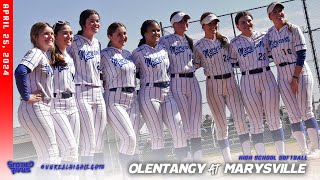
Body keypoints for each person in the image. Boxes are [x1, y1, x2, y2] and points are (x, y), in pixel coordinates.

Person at [193, 12, 251, 162]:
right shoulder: (198, 46)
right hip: (213, 84)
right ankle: (228, 160)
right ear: (203, 26)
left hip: (231, 81)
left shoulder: (224, 40)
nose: (213, 26)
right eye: (210, 23)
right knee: (221, 124)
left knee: (240, 120)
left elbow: (235, 59)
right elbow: (194, 65)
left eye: (215, 23)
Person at [266, 2, 320, 158]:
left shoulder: (293, 29)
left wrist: (295, 78)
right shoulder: (269, 35)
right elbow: (268, 54)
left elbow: (302, 54)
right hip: (282, 73)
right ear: (269, 17)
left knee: (305, 111)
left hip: (299, 71)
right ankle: (303, 149)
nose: (279, 13)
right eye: (274, 12)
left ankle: (316, 147)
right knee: (293, 114)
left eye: (280, 10)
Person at [229, 11, 285, 156]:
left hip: (267, 76)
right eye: (243, 22)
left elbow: (273, 53)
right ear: (237, 26)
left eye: (249, 20)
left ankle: (282, 155)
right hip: (248, 80)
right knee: (255, 121)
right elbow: (233, 62)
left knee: (273, 118)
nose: (247, 24)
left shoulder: (264, 36)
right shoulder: (234, 43)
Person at [132, 20, 188, 162]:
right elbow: (133, 72)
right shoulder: (138, 53)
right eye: (152, 30)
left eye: (158, 30)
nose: (156, 33)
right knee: (157, 135)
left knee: (179, 129)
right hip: (149, 93)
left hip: (167, 92)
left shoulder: (164, 49)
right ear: (144, 33)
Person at [14, 22, 59, 176]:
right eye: (46, 33)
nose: (51, 36)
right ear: (35, 37)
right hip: (35, 107)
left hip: (38, 109)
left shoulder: (44, 56)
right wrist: (26, 96)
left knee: (45, 155)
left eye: (52, 33)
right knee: (52, 152)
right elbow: (20, 71)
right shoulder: (36, 52)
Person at [158, 11, 203, 161]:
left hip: (192, 80)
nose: (184, 24)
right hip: (176, 80)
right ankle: (186, 159)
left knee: (196, 120)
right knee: (183, 122)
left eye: (186, 21)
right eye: (181, 21)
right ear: (173, 24)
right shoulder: (165, 40)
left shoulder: (190, 40)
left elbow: (197, 61)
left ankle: (197, 159)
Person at [67, 9, 107, 166]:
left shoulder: (97, 43)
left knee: (99, 138)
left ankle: (99, 173)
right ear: (83, 23)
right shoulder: (74, 41)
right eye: (91, 20)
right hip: (81, 91)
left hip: (98, 91)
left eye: (97, 20)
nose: (95, 23)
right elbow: (62, 60)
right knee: (88, 138)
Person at [100, 22, 137, 174]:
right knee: (129, 139)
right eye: (119, 34)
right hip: (114, 98)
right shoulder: (103, 54)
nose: (123, 37)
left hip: (133, 99)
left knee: (133, 143)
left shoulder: (129, 54)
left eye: (124, 33)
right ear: (110, 36)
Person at [49, 21, 80, 166]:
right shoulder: (48, 55)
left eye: (71, 33)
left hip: (72, 104)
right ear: (55, 36)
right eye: (65, 33)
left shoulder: (70, 57)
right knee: (69, 148)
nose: (69, 36)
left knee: (74, 151)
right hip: (56, 105)